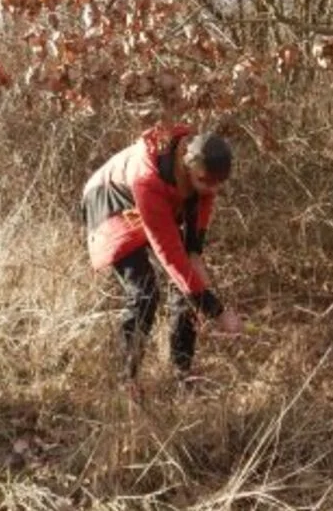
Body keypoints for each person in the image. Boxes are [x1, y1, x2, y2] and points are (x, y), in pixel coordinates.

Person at [81, 125, 243, 387]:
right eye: (205, 182)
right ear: (187, 167)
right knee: (144, 292)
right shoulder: (148, 179)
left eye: (217, 185)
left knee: (187, 290)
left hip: (152, 200)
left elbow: (193, 242)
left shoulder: (204, 176)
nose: (212, 191)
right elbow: (170, 256)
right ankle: (127, 381)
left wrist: (196, 261)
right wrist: (217, 311)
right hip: (110, 199)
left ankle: (182, 374)